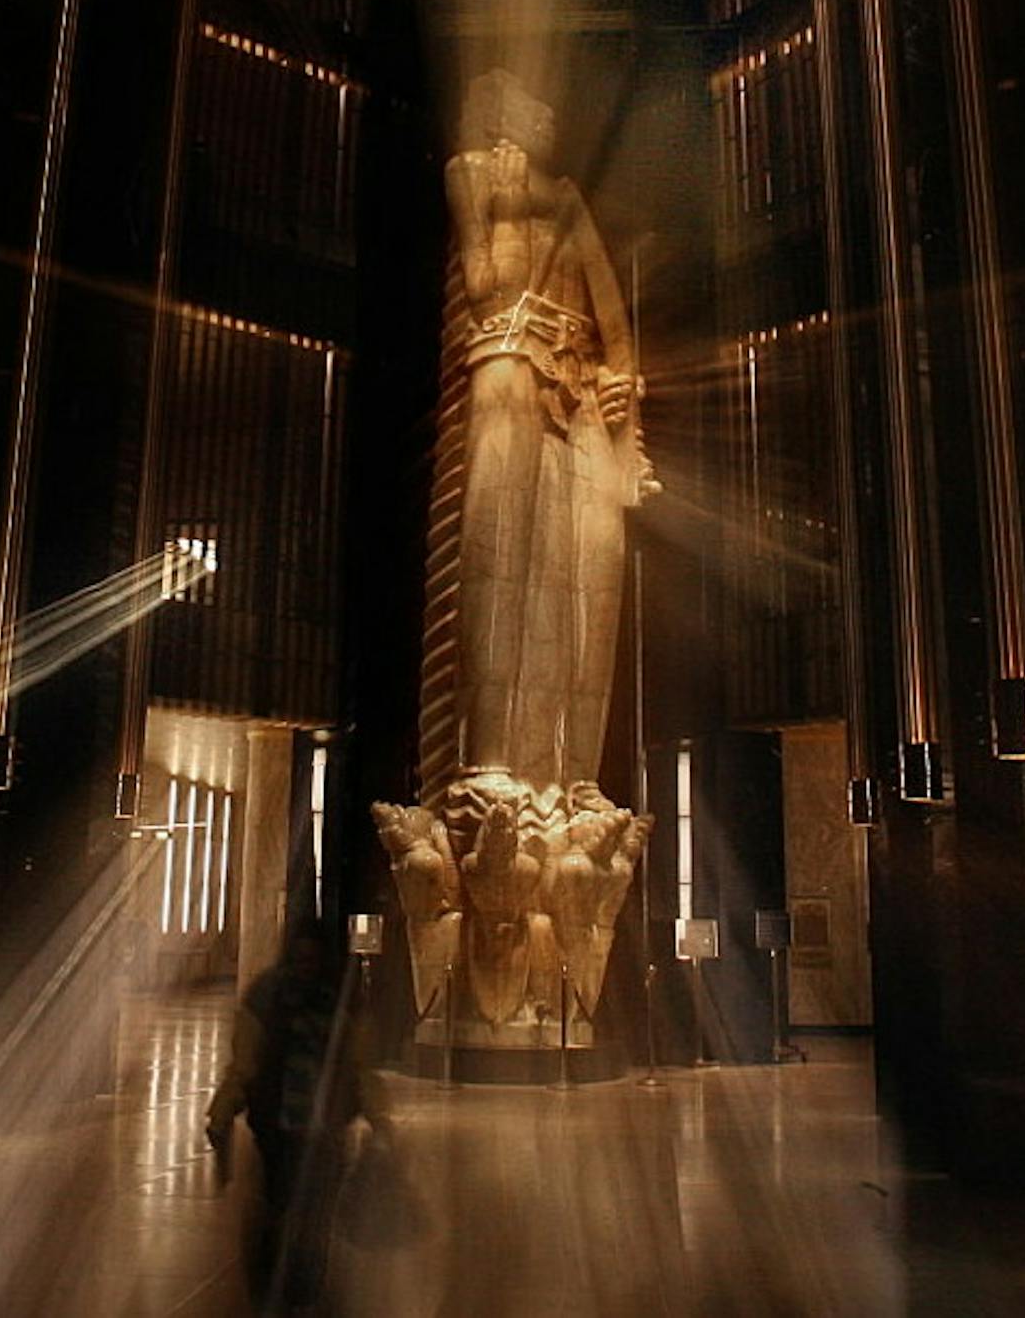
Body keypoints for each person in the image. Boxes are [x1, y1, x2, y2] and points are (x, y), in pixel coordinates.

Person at [442, 69, 655, 797]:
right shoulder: (469, 172)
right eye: (523, 105)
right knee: (497, 550)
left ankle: (578, 779)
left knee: (593, 577)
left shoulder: (567, 198)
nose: (541, 118)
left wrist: (624, 386)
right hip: (508, 360)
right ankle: (492, 764)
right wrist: (502, 208)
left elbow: (613, 316)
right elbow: (484, 288)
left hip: (584, 388)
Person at [206, 924, 389, 1314]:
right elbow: (244, 1065)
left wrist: (379, 1116)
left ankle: (303, 1286)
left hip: (323, 1128)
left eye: (313, 959)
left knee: (315, 1210)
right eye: (301, 958)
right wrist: (223, 1113)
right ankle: (277, 1280)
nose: (306, 966)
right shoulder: (269, 999)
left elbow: (360, 1067)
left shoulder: (338, 1002)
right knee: (280, 1203)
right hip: (280, 1127)